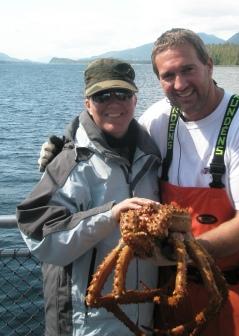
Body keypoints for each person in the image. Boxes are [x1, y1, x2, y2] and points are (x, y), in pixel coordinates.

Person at [38, 28, 239, 336]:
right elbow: (110, 129)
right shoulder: (160, 118)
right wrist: (63, 145)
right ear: (158, 80)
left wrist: (181, 252)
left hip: (235, 286)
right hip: (170, 286)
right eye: (168, 75)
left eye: (188, 70)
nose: (180, 84)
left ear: (209, 65)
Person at [16, 58, 162, 336]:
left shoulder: (151, 157)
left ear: (135, 100)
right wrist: (110, 216)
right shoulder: (69, 161)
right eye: (102, 96)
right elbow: (38, 235)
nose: (114, 103)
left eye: (123, 94)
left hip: (143, 320)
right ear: (87, 104)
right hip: (86, 325)